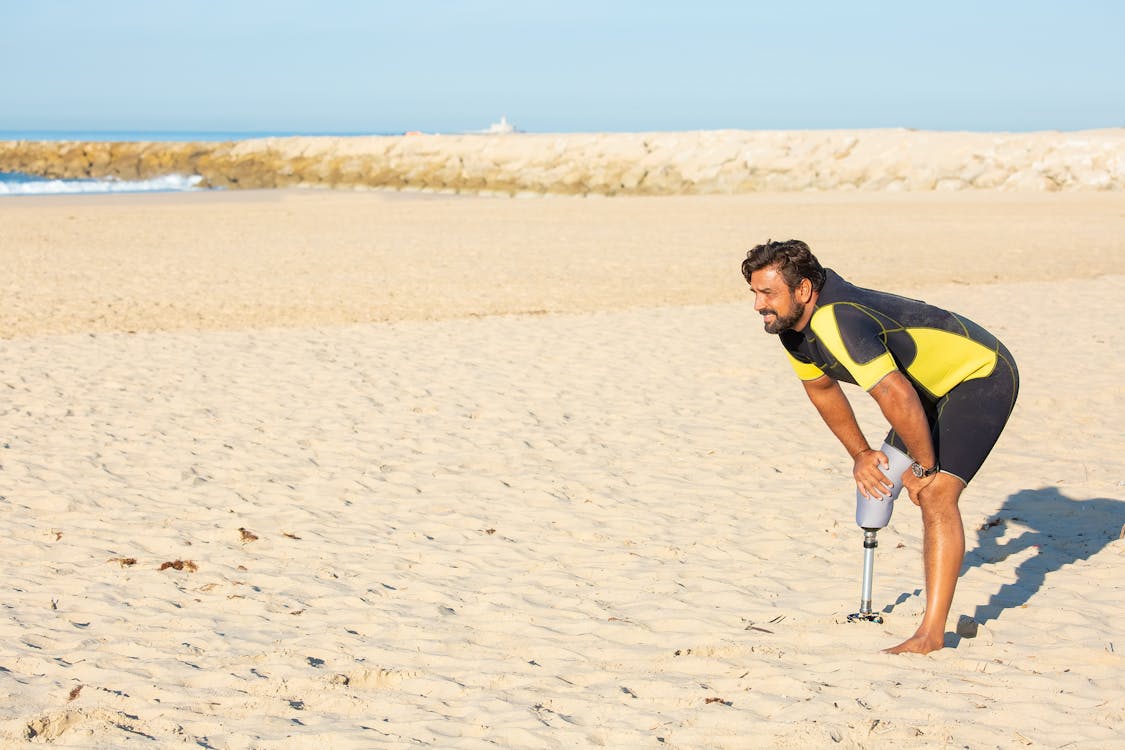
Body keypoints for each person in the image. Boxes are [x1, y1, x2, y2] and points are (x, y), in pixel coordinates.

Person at [741, 239, 1019, 654]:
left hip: (978, 375)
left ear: (802, 290)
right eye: (755, 294)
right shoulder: (792, 330)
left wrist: (925, 469)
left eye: (768, 294)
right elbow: (821, 389)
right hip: (924, 388)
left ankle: (931, 635)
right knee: (878, 484)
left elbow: (895, 395)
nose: (759, 305)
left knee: (937, 495)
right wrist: (861, 454)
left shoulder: (838, 319)